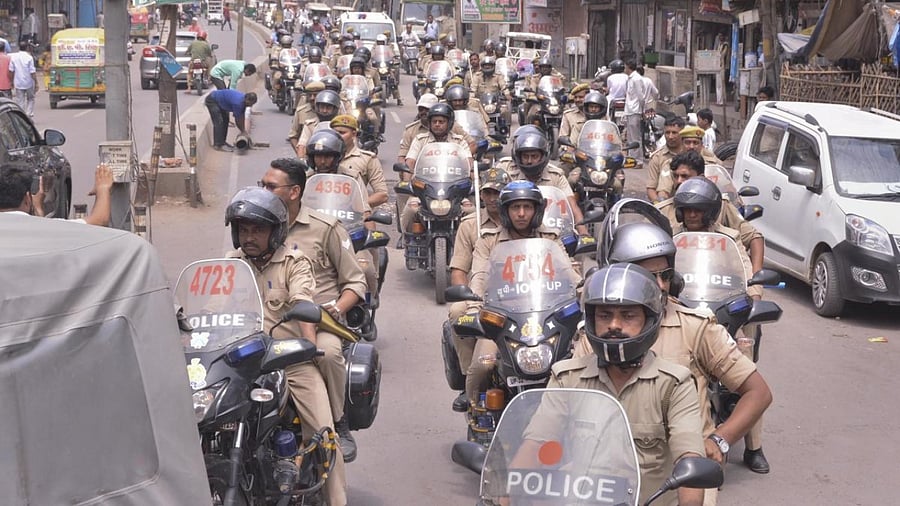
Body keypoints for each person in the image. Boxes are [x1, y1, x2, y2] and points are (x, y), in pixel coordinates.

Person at [575, 216, 773, 503]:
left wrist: (719, 439)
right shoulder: (601, 332)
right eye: (647, 276)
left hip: (681, 474)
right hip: (605, 471)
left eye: (665, 275)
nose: (660, 285)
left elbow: (758, 392)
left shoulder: (696, 326)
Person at [513, 262, 706, 506]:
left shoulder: (674, 384)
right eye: (604, 315)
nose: (614, 325)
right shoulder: (567, 378)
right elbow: (537, 443)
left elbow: (688, 460)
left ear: (649, 320)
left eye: (628, 315)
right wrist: (509, 489)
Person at [223, 187, 347, 506]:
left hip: (288, 361)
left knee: (324, 434)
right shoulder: (230, 264)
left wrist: (308, 345)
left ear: (275, 232)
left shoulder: (294, 262)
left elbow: (303, 301)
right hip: (240, 365)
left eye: (258, 230)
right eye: (244, 229)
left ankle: (337, 501)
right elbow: (211, 309)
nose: (249, 237)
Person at [259, 158, 367, 463]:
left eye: (271, 186)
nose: (263, 191)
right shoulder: (257, 226)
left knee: (328, 354)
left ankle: (337, 421)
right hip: (269, 321)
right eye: (262, 185)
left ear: (294, 192)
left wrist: (335, 309)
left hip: (318, 323)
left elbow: (355, 282)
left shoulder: (326, 228)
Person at [462, 181, 577, 406]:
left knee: (577, 361)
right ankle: (477, 412)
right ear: (506, 211)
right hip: (503, 320)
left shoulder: (551, 238)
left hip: (548, 318)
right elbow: (479, 277)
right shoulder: (488, 241)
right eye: (516, 208)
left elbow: (570, 276)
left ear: (537, 210)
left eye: (527, 207)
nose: (522, 213)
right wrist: (475, 307)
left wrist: (584, 292)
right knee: (483, 366)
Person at [445, 168, 509, 410]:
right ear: (481, 195)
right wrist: (469, 298)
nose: (493, 198)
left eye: (498, 192)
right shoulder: (471, 226)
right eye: (488, 192)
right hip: (480, 295)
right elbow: (460, 270)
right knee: (458, 312)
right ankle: (468, 378)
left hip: (517, 297)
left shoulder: (525, 224)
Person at [494, 127, 588, 235]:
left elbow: (572, 205)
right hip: (514, 232)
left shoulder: (556, 175)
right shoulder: (505, 171)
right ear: (518, 157)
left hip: (549, 232)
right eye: (525, 156)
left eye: (534, 156)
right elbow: (492, 201)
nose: (529, 161)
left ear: (543, 156)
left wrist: (583, 231)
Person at [1, 164, 113, 226]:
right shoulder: (47, 228)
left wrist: (39, 212)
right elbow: (98, 221)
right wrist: (102, 187)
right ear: (27, 199)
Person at [330, 115, 388, 208]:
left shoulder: (367, 159)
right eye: (334, 132)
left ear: (354, 134)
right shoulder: (321, 157)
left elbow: (382, 195)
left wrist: (357, 205)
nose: (337, 136)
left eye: (342, 132)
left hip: (354, 215)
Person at [655, 125, 723, 200]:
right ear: (681, 144)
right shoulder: (672, 164)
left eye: (695, 143)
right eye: (687, 143)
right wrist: (663, 201)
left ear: (701, 145)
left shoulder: (714, 163)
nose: (691, 146)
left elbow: (726, 188)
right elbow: (663, 191)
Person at [293, 89, 342, 158]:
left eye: (328, 108)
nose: (324, 111)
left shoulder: (341, 126)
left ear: (335, 108)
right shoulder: (310, 125)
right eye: (322, 107)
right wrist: (301, 160)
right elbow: (302, 146)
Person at [623, 60, 650, 166]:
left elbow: (641, 97)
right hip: (630, 110)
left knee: (636, 137)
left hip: (635, 110)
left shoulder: (637, 79)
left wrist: (643, 110)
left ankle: (638, 160)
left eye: (625, 67)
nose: (624, 69)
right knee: (630, 136)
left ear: (629, 67)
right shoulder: (630, 78)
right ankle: (631, 159)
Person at [9, 41, 37, 117]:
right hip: (29, 82)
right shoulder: (29, 57)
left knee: (20, 100)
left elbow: (11, 70)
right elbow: (32, 71)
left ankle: (22, 116)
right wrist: (36, 82)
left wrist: (11, 82)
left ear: (19, 48)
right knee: (30, 98)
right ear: (27, 48)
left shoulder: (14, 57)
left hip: (18, 82)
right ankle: (28, 113)